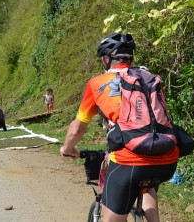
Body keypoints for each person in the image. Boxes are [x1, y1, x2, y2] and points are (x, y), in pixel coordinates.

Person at [60, 33, 179, 222]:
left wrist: (67, 149)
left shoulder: (97, 83)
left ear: (106, 60)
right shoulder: (148, 78)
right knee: (148, 185)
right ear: (131, 57)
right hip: (167, 158)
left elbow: (77, 128)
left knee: (112, 218)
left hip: (129, 160)